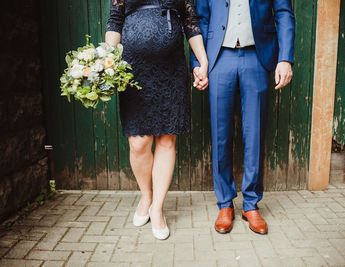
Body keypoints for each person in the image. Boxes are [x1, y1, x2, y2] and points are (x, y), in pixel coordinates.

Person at [106, 0, 208, 240]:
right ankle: (146, 195)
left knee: (166, 139)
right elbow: (115, 20)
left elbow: (191, 23)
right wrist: (107, 63)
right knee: (138, 142)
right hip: (133, 69)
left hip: (171, 70)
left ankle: (158, 207)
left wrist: (202, 62)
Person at [191, 0, 295, 234]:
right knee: (220, 134)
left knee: (255, 131)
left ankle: (251, 204)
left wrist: (285, 58)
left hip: (257, 56)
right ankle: (225, 203)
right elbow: (199, 18)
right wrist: (198, 63)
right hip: (219, 57)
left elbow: (284, 14)